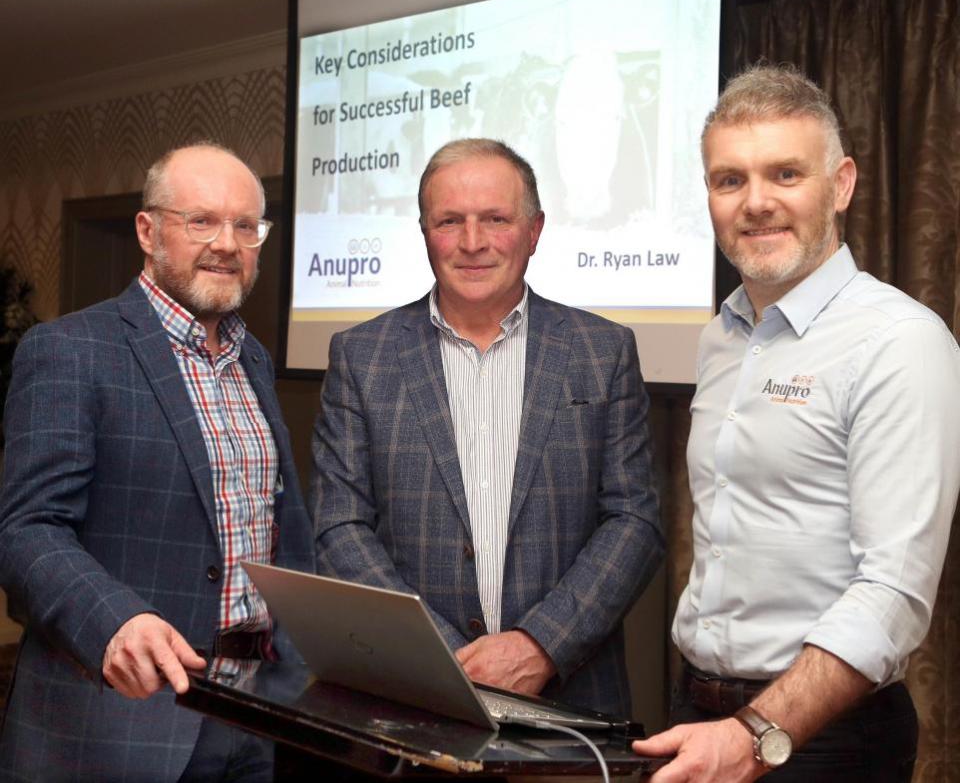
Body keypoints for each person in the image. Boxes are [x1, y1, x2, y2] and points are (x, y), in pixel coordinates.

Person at [633, 65, 960, 781]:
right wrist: (721, 726)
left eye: (785, 173)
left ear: (841, 185)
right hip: (702, 712)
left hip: (826, 740)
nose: (756, 203)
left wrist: (753, 734)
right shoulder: (721, 338)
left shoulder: (900, 340)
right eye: (729, 179)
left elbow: (894, 595)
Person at [312, 138, 663, 716]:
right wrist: (439, 658)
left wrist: (540, 645)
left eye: (495, 220)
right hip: (410, 701)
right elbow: (339, 526)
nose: (472, 243)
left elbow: (634, 522)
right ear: (425, 232)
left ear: (534, 230)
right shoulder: (361, 356)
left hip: (567, 705)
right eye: (449, 221)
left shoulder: (602, 352)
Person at [0, 143, 314, 782]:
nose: (226, 243)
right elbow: (26, 531)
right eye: (200, 221)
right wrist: (116, 620)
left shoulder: (252, 361)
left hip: (254, 714)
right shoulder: (69, 350)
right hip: (116, 722)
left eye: (245, 226)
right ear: (148, 231)